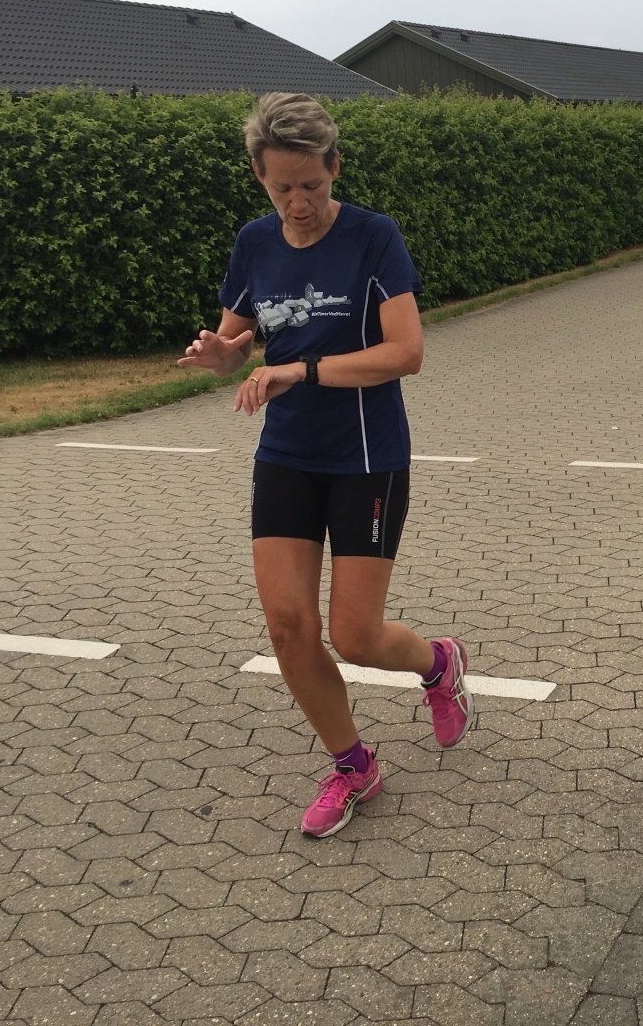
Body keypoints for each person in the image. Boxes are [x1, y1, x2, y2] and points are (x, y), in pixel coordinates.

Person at [178, 92, 474, 839]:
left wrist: (301, 369)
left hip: (366, 457)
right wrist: (219, 356)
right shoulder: (255, 243)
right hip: (286, 454)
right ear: (259, 176)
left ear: (335, 166)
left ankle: (438, 663)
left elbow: (406, 352)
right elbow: (237, 346)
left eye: (311, 184)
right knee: (287, 626)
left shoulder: (373, 237)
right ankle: (353, 766)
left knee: (356, 636)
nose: (299, 203)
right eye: (283, 188)